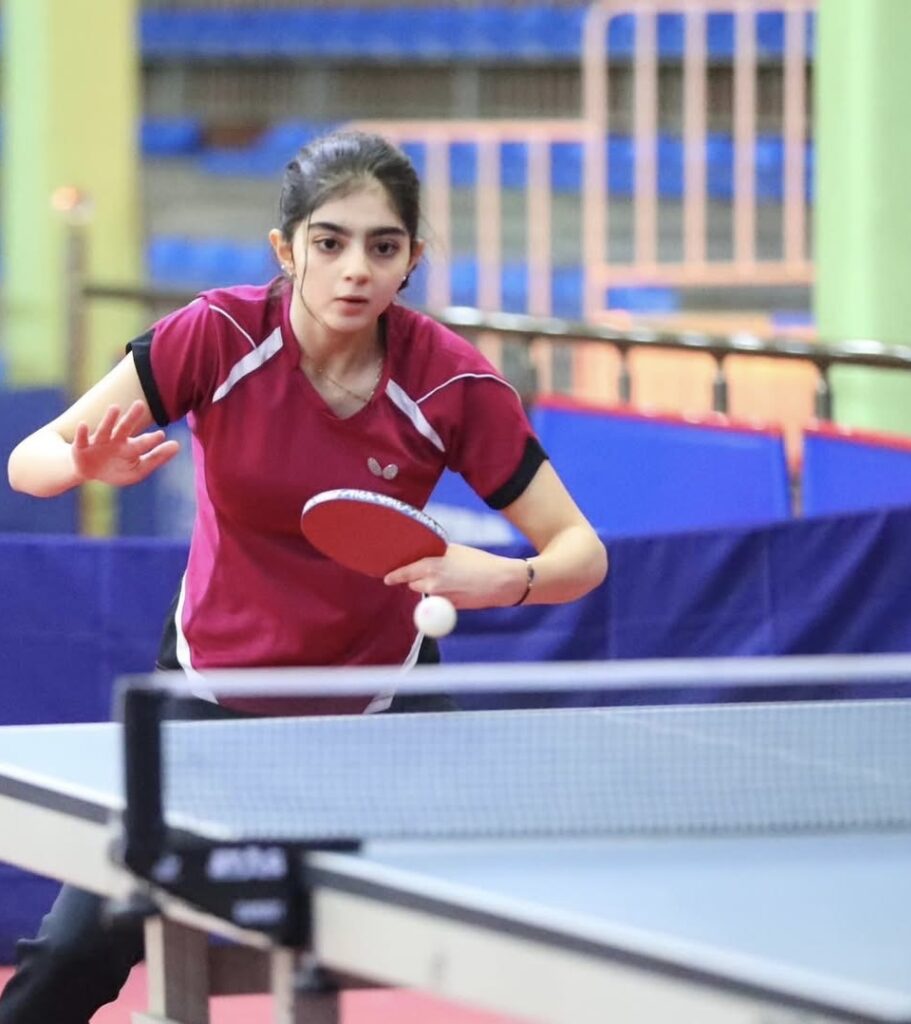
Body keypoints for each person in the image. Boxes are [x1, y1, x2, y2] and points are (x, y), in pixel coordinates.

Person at [2, 129, 607, 1022]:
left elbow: (580, 554)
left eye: (383, 247)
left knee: (530, 935)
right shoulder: (218, 335)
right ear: (286, 251)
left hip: (378, 716)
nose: (355, 269)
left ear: (411, 261)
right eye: (329, 242)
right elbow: (29, 461)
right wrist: (80, 465)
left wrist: (507, 579)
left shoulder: (449, 385)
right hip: (210, 699)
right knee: (72, 953)